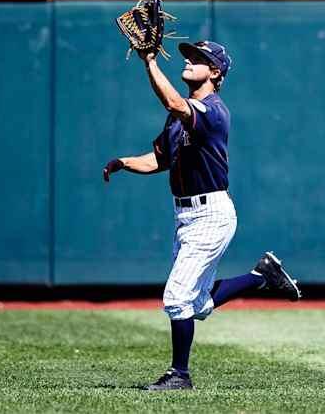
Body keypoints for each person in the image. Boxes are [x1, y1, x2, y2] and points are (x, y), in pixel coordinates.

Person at [103, 40, 302, 391]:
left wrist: (149, 61)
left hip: (211, 214)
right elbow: (160, 160)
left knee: (176, 297)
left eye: (199, 59)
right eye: (189, 56)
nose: (190, 61)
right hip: (188, 218)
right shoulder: (179, 117)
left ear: (215, 72)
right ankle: (262, 276)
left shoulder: (213, 111)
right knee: (197, 304)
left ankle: (179, 374)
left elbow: (173, 102)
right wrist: (124, 163)